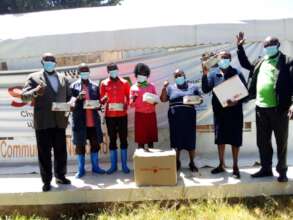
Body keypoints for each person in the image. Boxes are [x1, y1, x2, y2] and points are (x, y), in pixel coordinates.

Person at [236, 32, 293, 182]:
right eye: (265, 46)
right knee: (262, 141)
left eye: (270, 45)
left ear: (277, 45)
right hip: (261, 108)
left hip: (279, 109)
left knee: (281, 141)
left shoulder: (287, 61)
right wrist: (239, 47)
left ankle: (282, 171)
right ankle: (266, 168)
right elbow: (245, 64)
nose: (267, 48)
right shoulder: (261, 61)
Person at [21, 53, 71, 192]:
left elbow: (69, 97)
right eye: (47, 60)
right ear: (42, 62)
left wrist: (71, 104)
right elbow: (24, 97)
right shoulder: (33, 77)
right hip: (43, 122)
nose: (50, 63)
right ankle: (46, 181)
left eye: (52, 61)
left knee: (61, 152)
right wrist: (36, 91)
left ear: (55, 63)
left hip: (59, 121)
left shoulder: (63, 78)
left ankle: (60, 176)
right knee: (44, 153)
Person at [202, 51, 246, 179]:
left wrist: (237, 101)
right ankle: (221, 164)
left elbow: (246, 93)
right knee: (220, 139)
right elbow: (205, 89)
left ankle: (235, 167)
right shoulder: (212, 74)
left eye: (227, 57)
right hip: (220, 114)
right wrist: (204, 75)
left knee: (235, 140)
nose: (224, 59)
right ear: (218, 59)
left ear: (230, 59)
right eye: (222, 57)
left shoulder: (237, 73)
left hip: (235, 113)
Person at [160, 69, 201, 172]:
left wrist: (193, 100)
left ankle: (192, 163)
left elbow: (200, 100)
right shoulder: (170, 88)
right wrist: (164, 87)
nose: (178, 77)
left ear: (184, 75)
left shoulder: (193, 87)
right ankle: (176, 162)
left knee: (190, 140)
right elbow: (163, 99)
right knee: (176, 140)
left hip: (189, 118)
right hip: (175, 119)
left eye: (180, 75)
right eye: (176, 76)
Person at [70, 63, 105, 178]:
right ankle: (81, 169)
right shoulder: (73, 86)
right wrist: (78, 99)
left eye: (86, 71)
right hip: (80, 122)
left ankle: (96, 167)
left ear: (89, 73)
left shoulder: (95, 86)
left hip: (93, 122)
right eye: (82, 71)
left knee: (95, 145)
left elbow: (98, 103)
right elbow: (70, 105)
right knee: (80, 146)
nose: (85, 73)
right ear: (79, 73)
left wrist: (101, 103)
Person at [100, 63, 130, 174]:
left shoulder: (125, 82)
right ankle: (113, 166)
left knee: (123, 139)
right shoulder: (103, 83)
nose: (113, 72)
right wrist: (104, 99)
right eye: (111, 70)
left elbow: (129, 97)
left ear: (118, 70)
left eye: (115, 70)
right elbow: (101, 100)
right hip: (110, 116)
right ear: (108, 72)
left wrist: (126, 104)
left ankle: (124, 165)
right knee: (112, 140)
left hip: (122, 115)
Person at [130, 63, 158, 149]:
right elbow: (131, 105)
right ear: (136, 75)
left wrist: (153, 101)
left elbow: (156, 101)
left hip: (151, 115)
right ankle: (141, 160)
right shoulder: (133, 88)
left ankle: (152, 160)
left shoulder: (151, 86)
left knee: (151, 140)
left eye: (144, 74)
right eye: (140, 74)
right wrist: (134, 98)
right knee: (141, 140)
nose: (142, 76)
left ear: (147, 75)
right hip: (140, 115)